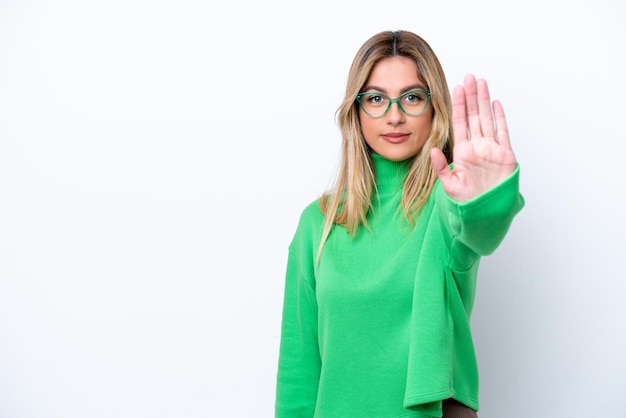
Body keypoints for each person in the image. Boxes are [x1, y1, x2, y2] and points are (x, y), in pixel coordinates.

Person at [275, 30, 524, 418]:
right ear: (356, 111)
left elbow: (479, 231)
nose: (394, 115)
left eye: (412, 97)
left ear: (434, 107)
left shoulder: (446, 201)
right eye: (375, 99)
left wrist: (484, 197)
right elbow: (299, 371)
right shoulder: (317, 223)